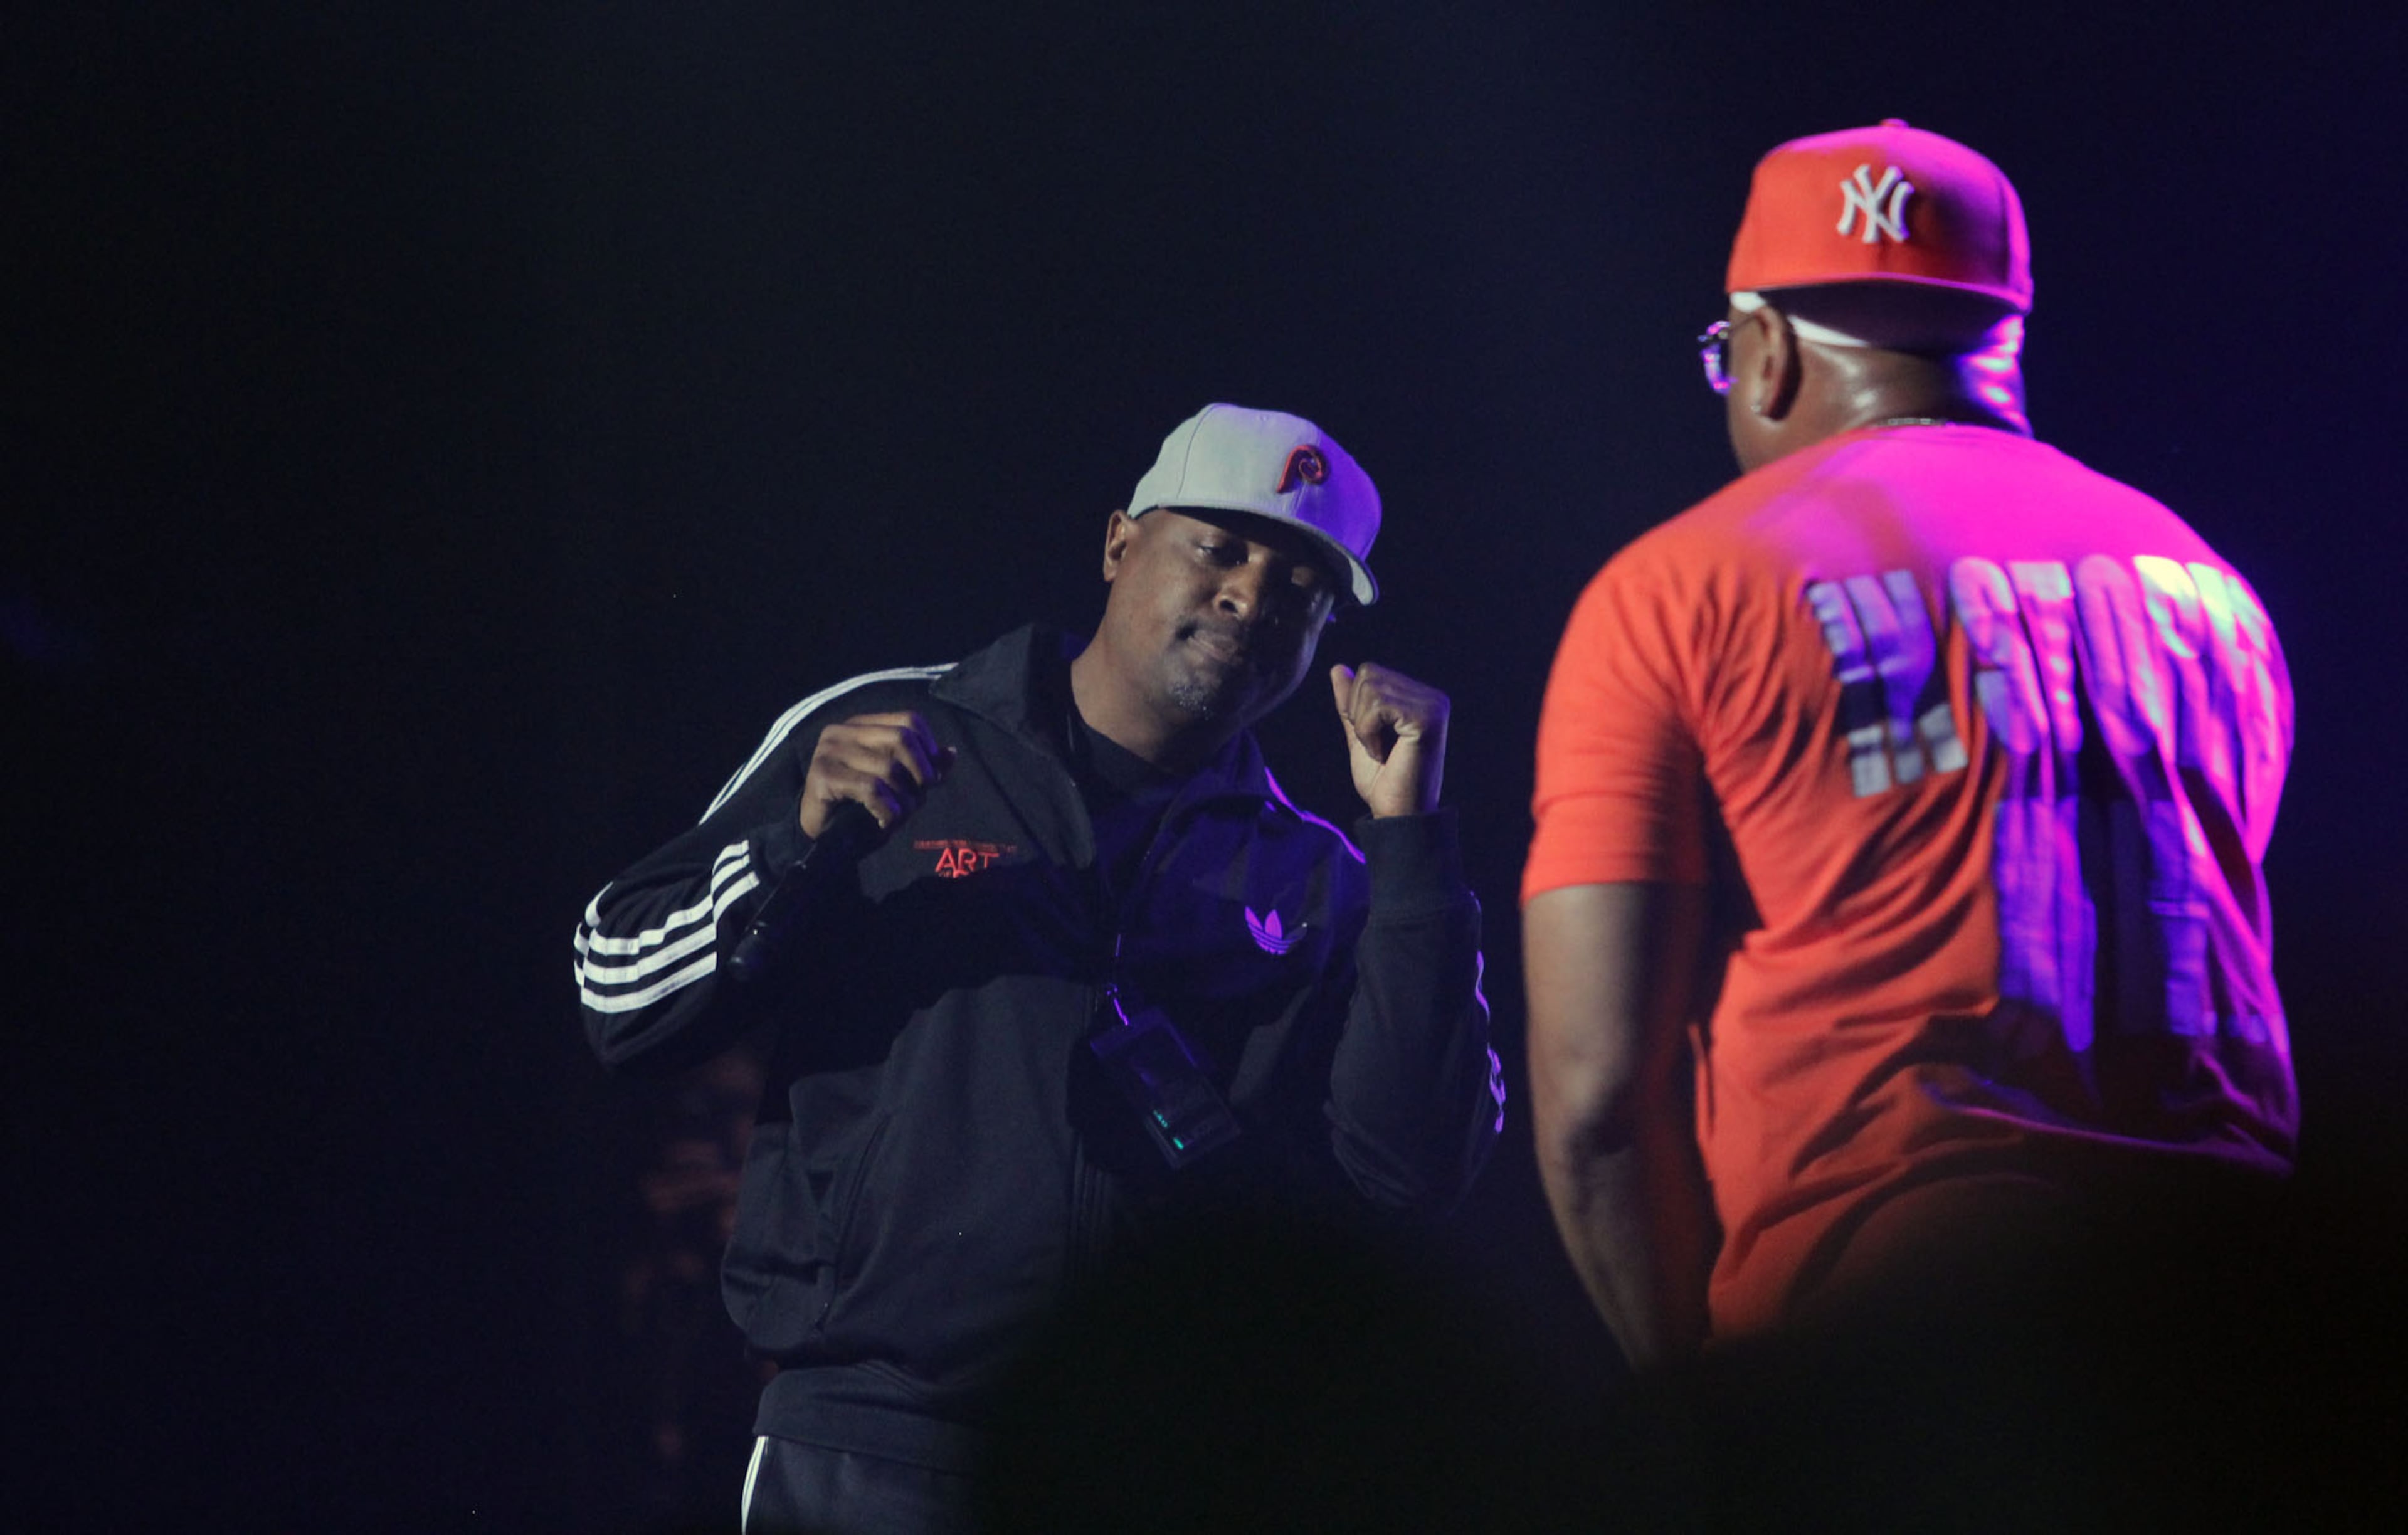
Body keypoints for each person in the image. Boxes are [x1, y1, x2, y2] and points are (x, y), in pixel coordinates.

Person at [575, 403, 1504, 1532]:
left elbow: (1418, 1170)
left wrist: (1411, 844)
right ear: (1119, 543)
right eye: (1219, 546)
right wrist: (795, 852)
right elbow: (617, 990)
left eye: (1301, 585)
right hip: (874, 1449)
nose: (1251, 597)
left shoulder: (1325, 878)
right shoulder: (896, 734)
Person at [1522, 121, 2296, 1368]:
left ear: (1765, 353)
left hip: (1890, 1346)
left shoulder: (1681, 588)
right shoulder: (2210, 587)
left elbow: (1595, 1098)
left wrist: (1701, 1422)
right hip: (2233, 1340)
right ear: (2007, 340)